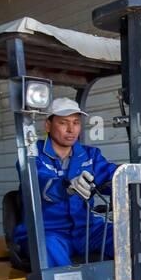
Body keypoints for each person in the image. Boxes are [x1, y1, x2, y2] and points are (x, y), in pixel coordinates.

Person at [14, 97, 116, 267]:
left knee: (128, 236)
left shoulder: (90, 156)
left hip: (87, 230)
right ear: (48, 125)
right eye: (63, 123)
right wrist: (67, 187)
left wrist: (139, 178)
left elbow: (113, 176)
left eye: (76, 122)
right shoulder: (31, 157)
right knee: (47, 247)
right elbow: (42, 184)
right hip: (49, 232)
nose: (71, 129)